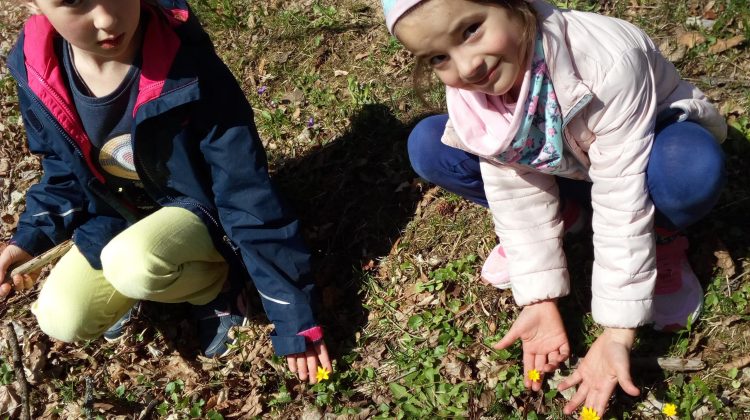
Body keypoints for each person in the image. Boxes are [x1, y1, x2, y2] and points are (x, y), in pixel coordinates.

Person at [382, 0, 726, 415]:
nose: (468, 66)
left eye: (471, 30)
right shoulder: (475, 83)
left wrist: (617, 333)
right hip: (574, 166)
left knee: (689, 168)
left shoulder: (604, 62)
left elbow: (623, 194)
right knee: (430, 144)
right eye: (439, 57)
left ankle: (664, 237)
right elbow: (512, 182)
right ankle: (568, 218)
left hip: (649, 156)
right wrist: (539, 297)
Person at [0, 0, 331, 383]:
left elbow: (245, 190)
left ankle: (215, 288)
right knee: (61, 316)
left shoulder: (183, 60)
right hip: (118, 219)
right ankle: (147, 283)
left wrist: (295, 317)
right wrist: (24, 243)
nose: (106, 18)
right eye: (74, 1)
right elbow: (63, 174)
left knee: (132, 263)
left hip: (200, 215)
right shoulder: (39, 69)